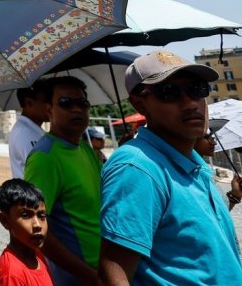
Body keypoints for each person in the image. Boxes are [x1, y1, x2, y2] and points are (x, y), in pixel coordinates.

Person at [99, 50, 242, 285]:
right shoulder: (137, 167)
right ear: (139, 103)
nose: (190, 103)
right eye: (169, 93)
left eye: (197, 90)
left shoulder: (192, 161)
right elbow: (113, 273)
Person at [24, 76, 101, 286]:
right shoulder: (45, 158)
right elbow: (34, 226)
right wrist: (87, 274)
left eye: (82, 103)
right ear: (49, 110)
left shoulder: (84, 148)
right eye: (66, 103)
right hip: (78, 278)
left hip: (101, 269)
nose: (77, 109)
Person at [0, 178, 54, 286]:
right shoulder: (11, 275)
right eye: (25, 215)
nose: (37, 225)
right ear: (4, 220)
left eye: (41, 215)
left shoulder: (37, 255)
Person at [8, 84, 48, 178]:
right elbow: (42, 170)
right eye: (46, 101)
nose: (51, 106)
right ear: (29, 102)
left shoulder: (30, 129)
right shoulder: (25, 132)